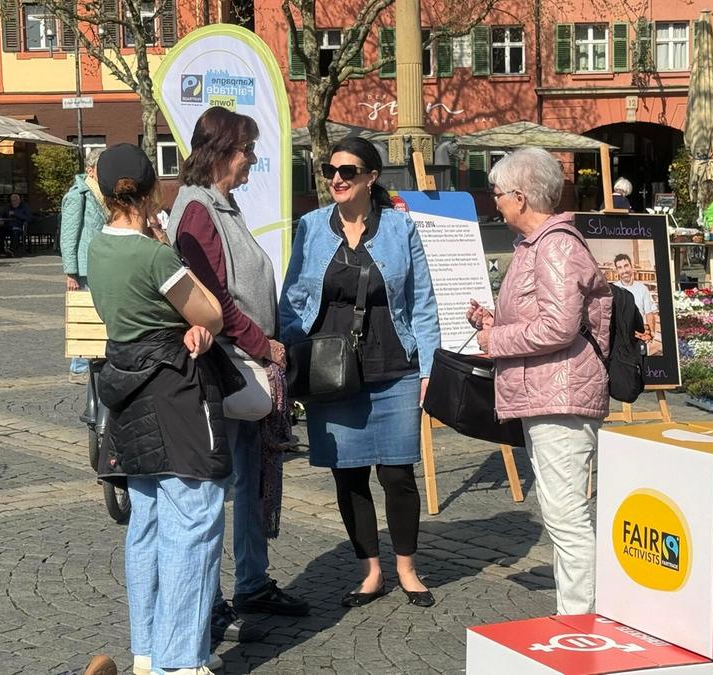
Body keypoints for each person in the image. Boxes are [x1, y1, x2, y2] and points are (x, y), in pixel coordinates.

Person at [280, 136, 441, 609]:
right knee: (348, 476)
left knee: (397, 473)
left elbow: (422, 301)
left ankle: (407, 568)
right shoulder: (311, 226)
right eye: (331, 170)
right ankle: (370, 571)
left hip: (394, 365)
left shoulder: (400, 227)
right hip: (329, 371)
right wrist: (290, 358)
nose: (337, 179)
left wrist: (429, 367)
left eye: (347, 171)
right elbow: (292, 298)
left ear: (371, 177)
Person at [168, 107, 308, 648]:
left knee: (251, 478)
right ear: (223, 152)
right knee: (215, 492)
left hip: (240, 365)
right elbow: (214, 299)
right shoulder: (199, 211)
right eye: (246, 149)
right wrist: (263, 344)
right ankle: (209, 604)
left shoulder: (220, 205)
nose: (251, 159)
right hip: (224, 367)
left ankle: (251, 582)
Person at [87, 143, 228, 675]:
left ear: (103, 193)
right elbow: (210, 314)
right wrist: (168, 248)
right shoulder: (155, 256)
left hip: (127, 390)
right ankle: (181, 660)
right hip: (174, 392)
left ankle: (147, 651)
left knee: (146, 520)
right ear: (150, 191)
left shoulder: (97, 248)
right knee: (194, 521)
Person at [466, 147, 612, 614]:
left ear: (521, 196)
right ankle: (579, 612)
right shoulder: (539, 245)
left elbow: (558, 328)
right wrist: (493, 321)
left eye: (497, 193)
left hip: (560, 395)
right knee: (563, 512)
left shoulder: (554, 246)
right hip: (551, 391)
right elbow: (545, 318)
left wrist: (495, 339)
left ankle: (579, 619)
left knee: (566, 516)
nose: (494, 202)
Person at [61, 147, 109, 382]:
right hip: (84, 266)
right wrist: (70, 272)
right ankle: (79, 367)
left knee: (98, 313)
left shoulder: (104, 193)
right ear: (90, 170)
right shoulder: (78, 195)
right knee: (84, 314)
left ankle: (95, 358)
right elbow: (68, 234)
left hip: (101, 262)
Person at [612, 253, 661, 356]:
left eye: (626, 266)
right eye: (620, 268)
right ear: (617, 271)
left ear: (631, 267)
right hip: (621, 339)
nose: (624, 270)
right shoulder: (613, 290)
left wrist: (651, 332)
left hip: (639, 337)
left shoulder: (642, 289)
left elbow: (649, 313)